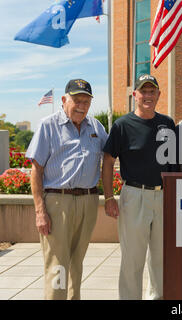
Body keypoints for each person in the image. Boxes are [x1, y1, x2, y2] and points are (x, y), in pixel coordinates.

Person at [26, 79, 108, 300]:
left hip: (88, 202)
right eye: (77, 100)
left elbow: (111, 156)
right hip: (57, 202)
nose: (81, 105)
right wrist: (40, 211)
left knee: (76, 263)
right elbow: (36, 170)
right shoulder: (48, 125)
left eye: (86, 101)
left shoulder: (96, 127)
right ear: (64, 100)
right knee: (57, 265)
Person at [102, 74, 175, 300]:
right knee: (133, 258)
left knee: (161, 258)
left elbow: (174, 162)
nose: (148, 95)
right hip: (134, 195)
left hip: (162, 196)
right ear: (135, 95)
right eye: (143, 91)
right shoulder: (122, 125)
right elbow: (107, 162)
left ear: (158, 95)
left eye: (152, 91)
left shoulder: (168, 123)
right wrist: (108, 198)